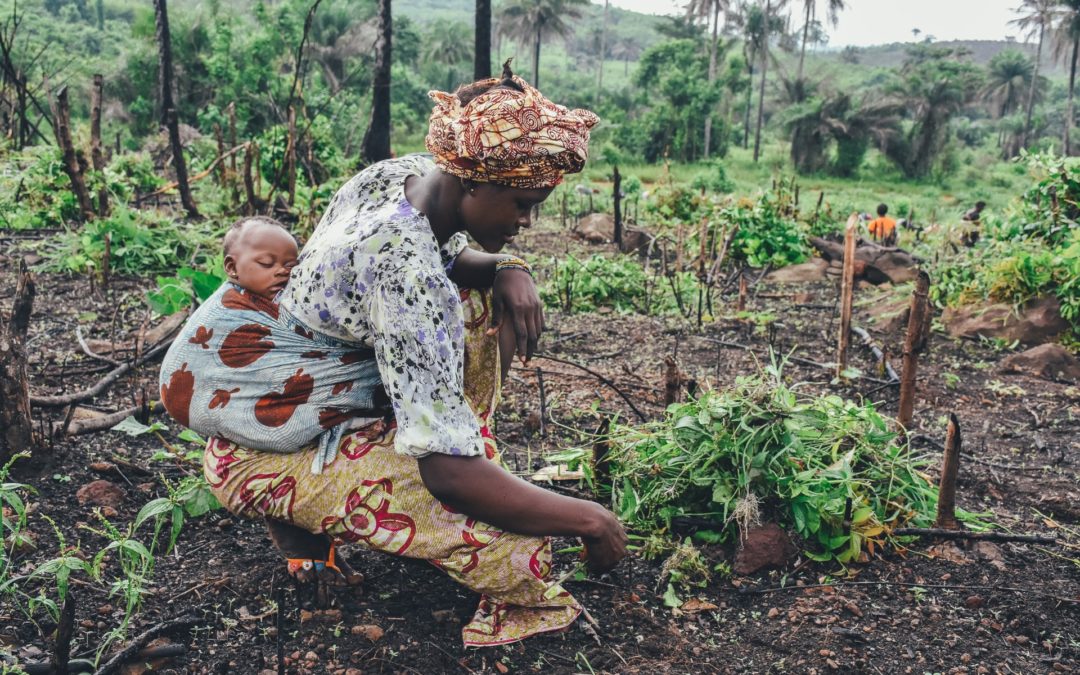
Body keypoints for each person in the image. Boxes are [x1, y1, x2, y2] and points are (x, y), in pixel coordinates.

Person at [189, 62, 628, 647]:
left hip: (299, 397)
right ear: (474, 182)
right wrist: (589, 520)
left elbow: (448, 259)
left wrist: (506, 266)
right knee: (519, 550)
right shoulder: (403, 275)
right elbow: (447, 475)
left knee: (471, 302)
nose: (528, 221)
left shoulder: (403, 178)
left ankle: (404, 459)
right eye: (523, 203)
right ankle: (301, 509)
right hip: (259, 451)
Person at [159, 216, 388, 468]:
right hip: (229, 404)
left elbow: (309, 352)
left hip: (271, 400)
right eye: (267, 264)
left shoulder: (292, 304)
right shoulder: (226, 312)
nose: (281, 271)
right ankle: (347, 414)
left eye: (290, 266)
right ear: (232, 268)